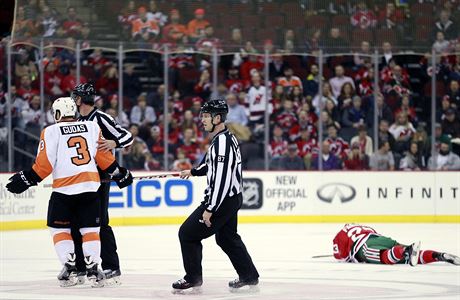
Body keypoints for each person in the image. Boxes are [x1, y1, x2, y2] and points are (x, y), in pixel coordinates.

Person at [5, 97, 133, 287]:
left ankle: (70, 265)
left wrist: (26, 178)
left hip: (64, 191)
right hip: (91, 190)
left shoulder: (50, 131)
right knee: (91, 230)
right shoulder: (91, 127)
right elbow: (104, 158)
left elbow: (44, 166)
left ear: (57, 114)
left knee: (59, 228)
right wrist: (119, 173)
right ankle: (93, 267)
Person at [172, 99, 259, 293]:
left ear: (217, 118)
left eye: (205, 116)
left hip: (222, 200)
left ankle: (192, 277)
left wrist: (210, 209)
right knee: (227, 238)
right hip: (231, 198)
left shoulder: (222, 143)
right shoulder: (224, 138)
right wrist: (193, 172)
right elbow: (211, 166)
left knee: (187, 234)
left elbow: (221, 180)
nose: (202, 120)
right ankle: (249, 275)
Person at [71, 83, 133, 284]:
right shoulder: (78, 120)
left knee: (101, 222)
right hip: (83, 179)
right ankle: (81, 266)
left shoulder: (101, 118)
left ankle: (111, 266)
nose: (73, 101)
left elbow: (127, 136)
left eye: (75, 97)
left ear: (80, 99)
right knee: (79, 222)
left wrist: (115, 143)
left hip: (102, 179)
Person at [333, 224, 459, 266]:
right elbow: (373, 233)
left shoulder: (339, 235)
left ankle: (405, 250)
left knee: (385, 258)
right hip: (380, 238)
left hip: (363, 246)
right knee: (412, 257)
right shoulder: (358, 226)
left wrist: (348, 259)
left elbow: (341, 256)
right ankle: (438, 255)